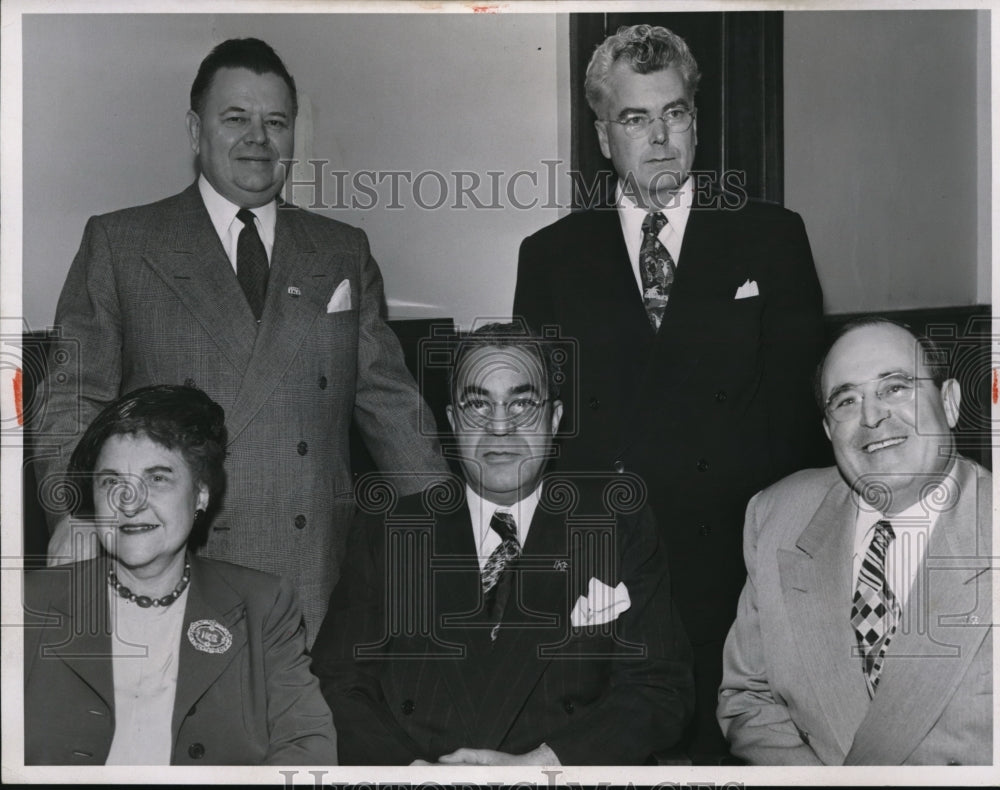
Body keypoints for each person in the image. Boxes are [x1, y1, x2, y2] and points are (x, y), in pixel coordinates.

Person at [34, 37, 445, 643]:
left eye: (276, 122)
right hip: (175, 560)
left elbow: (390, 403)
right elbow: (72, 398)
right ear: (196, 131)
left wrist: (452, 524)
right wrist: (75, 510)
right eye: (236, 119)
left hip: (317, 576)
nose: (259, 138)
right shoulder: (123, 244)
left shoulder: (341, 249)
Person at [513, 23, 827, 761]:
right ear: (601, 134)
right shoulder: (552, 257)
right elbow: (542, 440)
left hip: (738, 574)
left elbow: (798, 426)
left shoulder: (772, 239)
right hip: (613, 575)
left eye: (674, 112)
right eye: (633, 117)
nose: (658, 137)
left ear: (696, 121)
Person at [311, 323, 694, 765]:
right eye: (478, 404)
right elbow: (338, 683)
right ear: (452, 422)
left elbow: (660, 690)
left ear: (554, 420)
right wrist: (413, 774)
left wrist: (542, 766)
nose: (499, 426)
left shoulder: (615, 525)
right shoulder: (389, 528)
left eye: (522, 404)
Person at [717, 318, 992, 765]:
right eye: (846, 400)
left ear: (950, 402)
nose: (871, 416)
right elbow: (749, 698)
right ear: (828, 430)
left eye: (895, 388)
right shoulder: (778, 517)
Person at [24, 385, 337, 765]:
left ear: (201, 494)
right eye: (110, 482)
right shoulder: (26, 604)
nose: (130, 502)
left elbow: (306, 746)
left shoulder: (262, 606)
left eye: (158, 478)